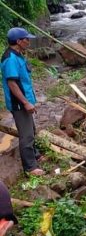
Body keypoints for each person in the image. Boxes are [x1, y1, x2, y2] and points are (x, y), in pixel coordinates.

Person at [1, 27, 44, 176]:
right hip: (18, 103)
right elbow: (12, 84)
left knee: (31, 129)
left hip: (24, 100)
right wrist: (25, 103)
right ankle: (30, 168)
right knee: (27, 135)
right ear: (18, 41)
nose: (28, 42)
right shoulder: (10, 59)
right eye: (26, 39)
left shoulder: (18, 55)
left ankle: (35, 155)